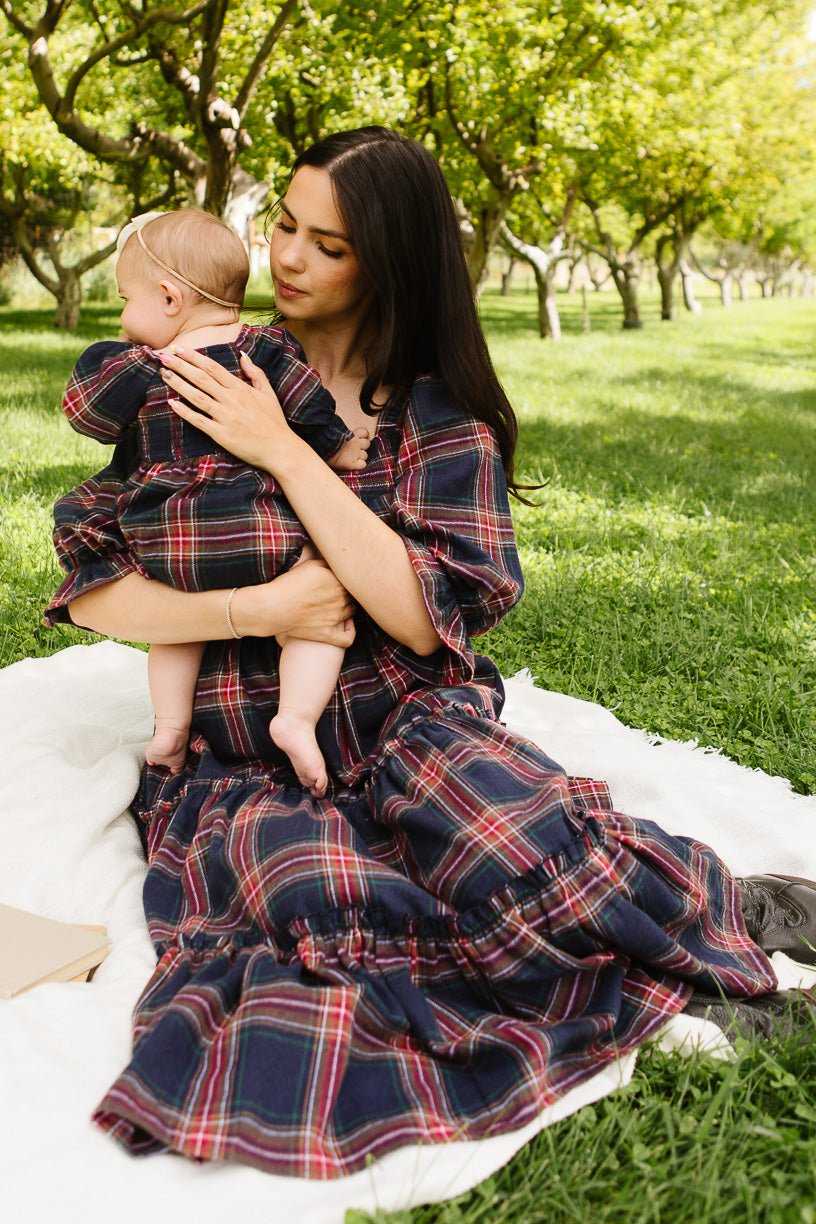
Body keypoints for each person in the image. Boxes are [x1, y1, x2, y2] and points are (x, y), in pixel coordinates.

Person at [47, 127, 816, 1179]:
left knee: (506, 840)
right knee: (312, 919)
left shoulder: (431, 414)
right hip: (256, 743)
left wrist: (281, 449)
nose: (288, 258)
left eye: (330, 244)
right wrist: (262, 605)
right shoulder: (201, 366)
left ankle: (722, 909)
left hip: (406, 711)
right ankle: (652, 976)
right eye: (284, 224)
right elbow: (96, 584)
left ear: (392, 261)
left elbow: (419, 619)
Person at [47, 207, 370, 795]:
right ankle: (296, 719)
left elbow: (85, 414)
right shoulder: (266, 350)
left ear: (169, 298)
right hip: (261, 531)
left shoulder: (146, 367)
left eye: (126, 299)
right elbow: (309, 405)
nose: (124, 316)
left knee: (173, 624)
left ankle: (170, 727)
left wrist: (115, 352)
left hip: (168, 538)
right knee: (317, 619)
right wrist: (340, 447)